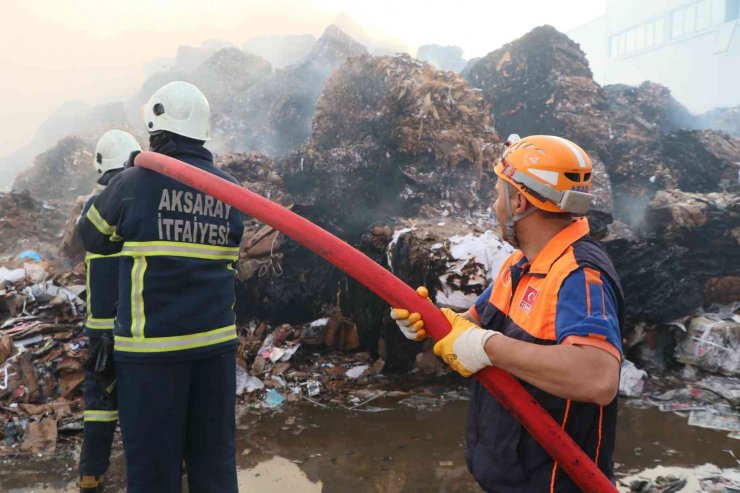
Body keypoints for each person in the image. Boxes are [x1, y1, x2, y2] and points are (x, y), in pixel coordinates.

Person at [391, 134, 624, 492]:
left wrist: (487, 347)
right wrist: (426, 323)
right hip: (513, 475)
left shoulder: (578, 274)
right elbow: (471, 327)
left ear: (518, 201)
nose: (495, 205)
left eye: (499, 193)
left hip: (555, 484)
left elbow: (597, 377)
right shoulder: (520, 265)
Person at [78, 81, 245, 493]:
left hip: (151, 355)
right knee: (215, 466)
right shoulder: (230, 192)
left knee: (154, 473)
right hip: (215, 350)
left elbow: (93, 236)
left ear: (156, 132)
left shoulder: (133, 183)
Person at [78, 130, 142, 493]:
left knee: (99, 400)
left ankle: (91, 472)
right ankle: (146, 471)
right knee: (138, 397)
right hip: (133, 325)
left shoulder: (93, 207)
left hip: (98, 328)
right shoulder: (138, 202)